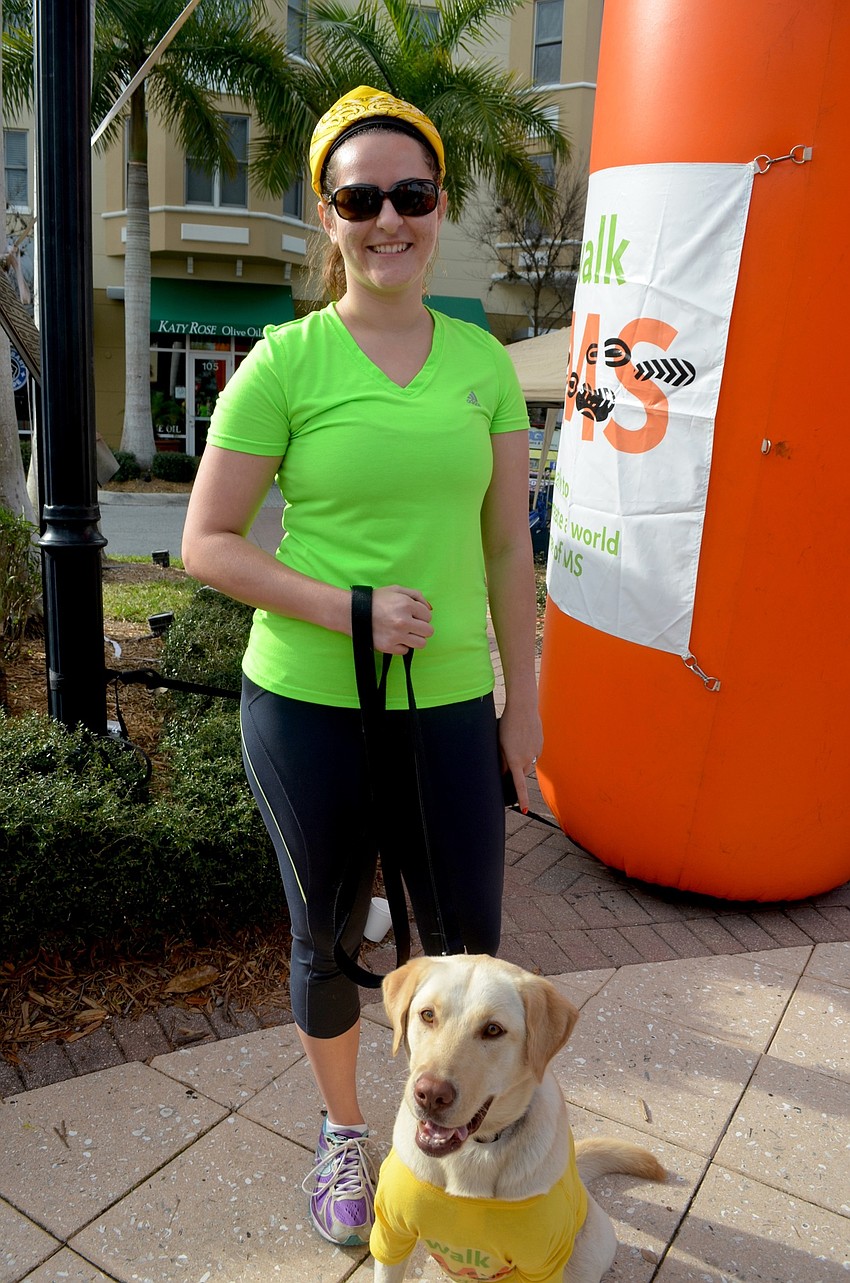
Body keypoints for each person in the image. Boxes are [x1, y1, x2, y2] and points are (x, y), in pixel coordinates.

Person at [181, 85, 542, 1249]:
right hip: (306, 703)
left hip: (444, 705)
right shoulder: (283, 362)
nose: (389, 219)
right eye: (359, 198)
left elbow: (503, 543)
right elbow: (205, 543)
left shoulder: (482, 360)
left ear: (438, 204)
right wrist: (344, 606)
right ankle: (350, 1133)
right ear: (326, 217)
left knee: (464, 943)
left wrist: (521, 705)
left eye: (413, 195)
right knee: (329, 935)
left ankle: (459, 1125)